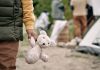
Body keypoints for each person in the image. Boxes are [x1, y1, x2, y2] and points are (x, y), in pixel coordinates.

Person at [0, 0, 37, 70]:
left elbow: (27, 5)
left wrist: (29, 26)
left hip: (10, 31)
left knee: (6, 65)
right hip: (11, 30)